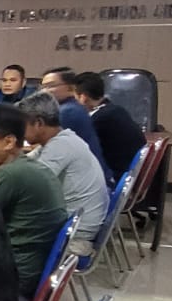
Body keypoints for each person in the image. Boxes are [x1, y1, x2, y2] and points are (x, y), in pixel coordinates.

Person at [0, 104, 67, 296]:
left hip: (14, 278)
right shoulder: (29, 166)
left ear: (9, 142)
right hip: (31, 269)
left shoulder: (9, 174)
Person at [20, 92, 108, 246]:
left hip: (75, 234)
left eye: (22, 126)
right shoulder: (60, 139)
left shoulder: (60, 147)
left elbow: (29, 186)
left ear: (39, 123)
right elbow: (23, 165)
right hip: (78, 223)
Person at [75, 71, 147, 184]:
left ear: (83, 97)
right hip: (129, 175)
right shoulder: (116, 110)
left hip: (114, 178)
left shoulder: (99, 119)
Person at [37, 66, 109, 180]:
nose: (44, 91)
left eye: (50, 86)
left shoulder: (67, 112)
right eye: (43, 87)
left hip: (86, 181)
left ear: (70, 87)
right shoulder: (72, 107)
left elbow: (48, 150)